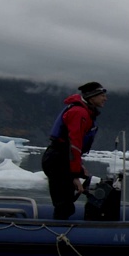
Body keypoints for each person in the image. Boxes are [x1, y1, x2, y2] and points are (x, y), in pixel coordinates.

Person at [42, 81, 107, 219]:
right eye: (101, 95)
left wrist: (79, 168)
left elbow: (73, 148)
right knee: (64, 206)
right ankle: (57, 235)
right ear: (92, 96)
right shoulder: (79, 113)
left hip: (61, 157)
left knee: (65, 204)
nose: (105, 98)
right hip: (58, 159)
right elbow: (75, 145)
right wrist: (75, 174)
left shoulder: (84, 112)